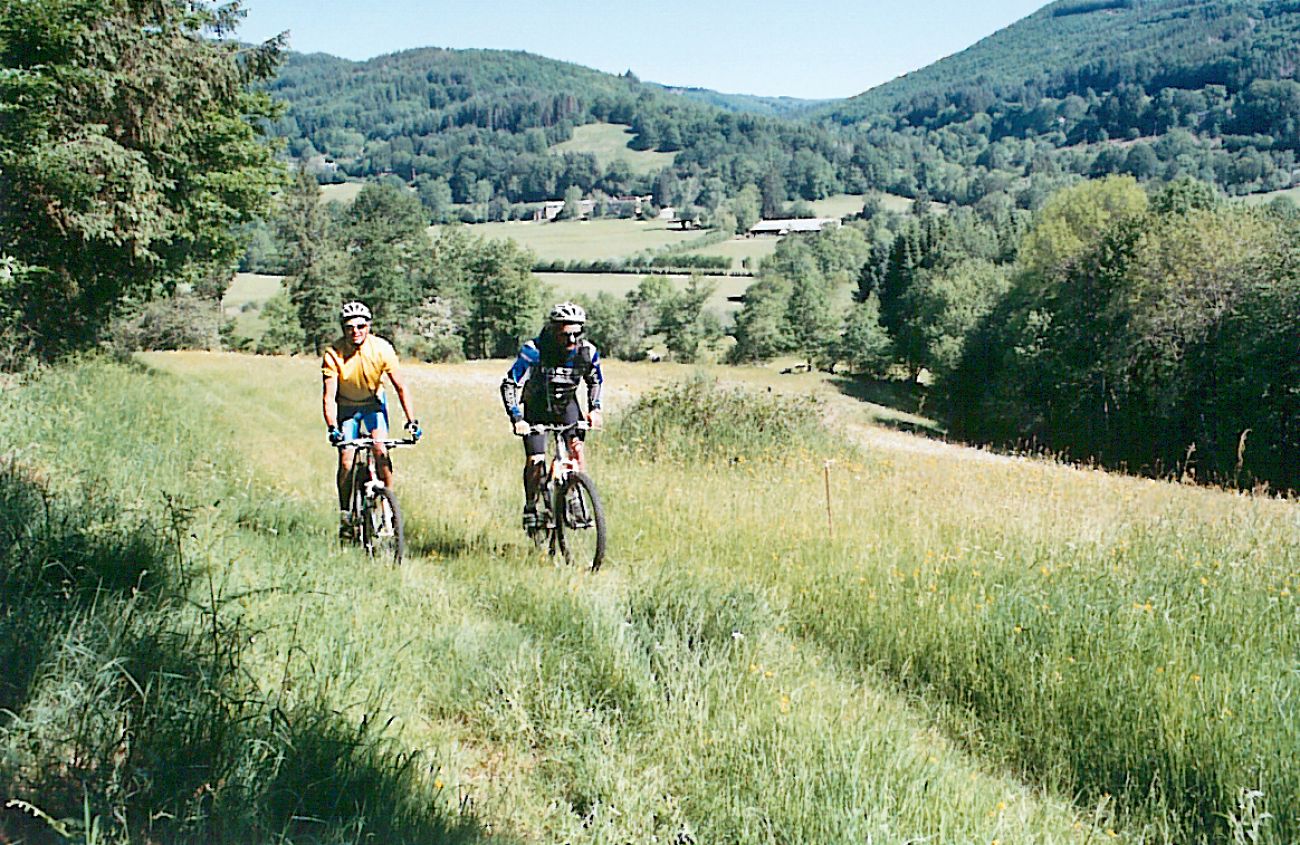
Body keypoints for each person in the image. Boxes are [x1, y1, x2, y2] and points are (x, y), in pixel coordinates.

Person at [500, 301, 604, 528]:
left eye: (577, 334)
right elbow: (509, 384)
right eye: (565, 335)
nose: (571, 340)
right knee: (536, 460)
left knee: (576, 450)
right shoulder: (534, 350)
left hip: (566, 407)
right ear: (554, 330)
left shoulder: (587, 352)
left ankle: (575, 494)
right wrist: (517, 418)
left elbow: (595, 380)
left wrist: (595, 408)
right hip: (537, 408)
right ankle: (531, 505)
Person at [322, 301, 420, 537]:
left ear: (369, 326)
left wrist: (412, 421)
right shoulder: (333, 354)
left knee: (380, 450)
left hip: (373, 405)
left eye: (361, 326)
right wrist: (332, 427)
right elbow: (329, 396)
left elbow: (400, 387)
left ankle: (388, 506)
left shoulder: (382, 349)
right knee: (346, 460)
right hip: (347, 407)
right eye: (349, 327)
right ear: (343, 329)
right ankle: (346, 515)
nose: (355, 331)